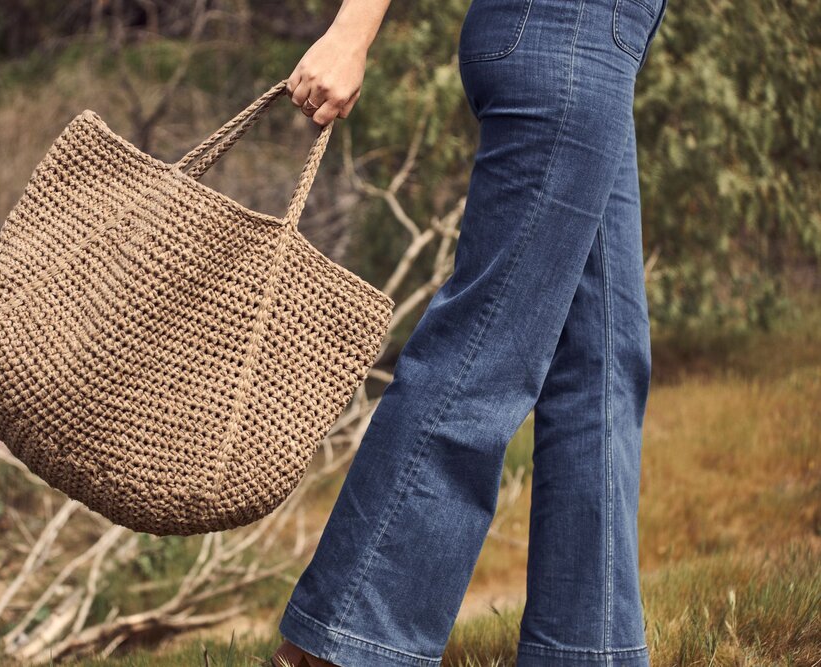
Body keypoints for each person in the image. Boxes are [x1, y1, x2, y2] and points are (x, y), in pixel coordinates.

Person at [271, 0, 668, 664]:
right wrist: (351, 31)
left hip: (601, 47)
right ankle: (348, 644)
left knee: (603, 361)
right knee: (484, 352)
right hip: (563, 32)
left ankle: (587, 649)